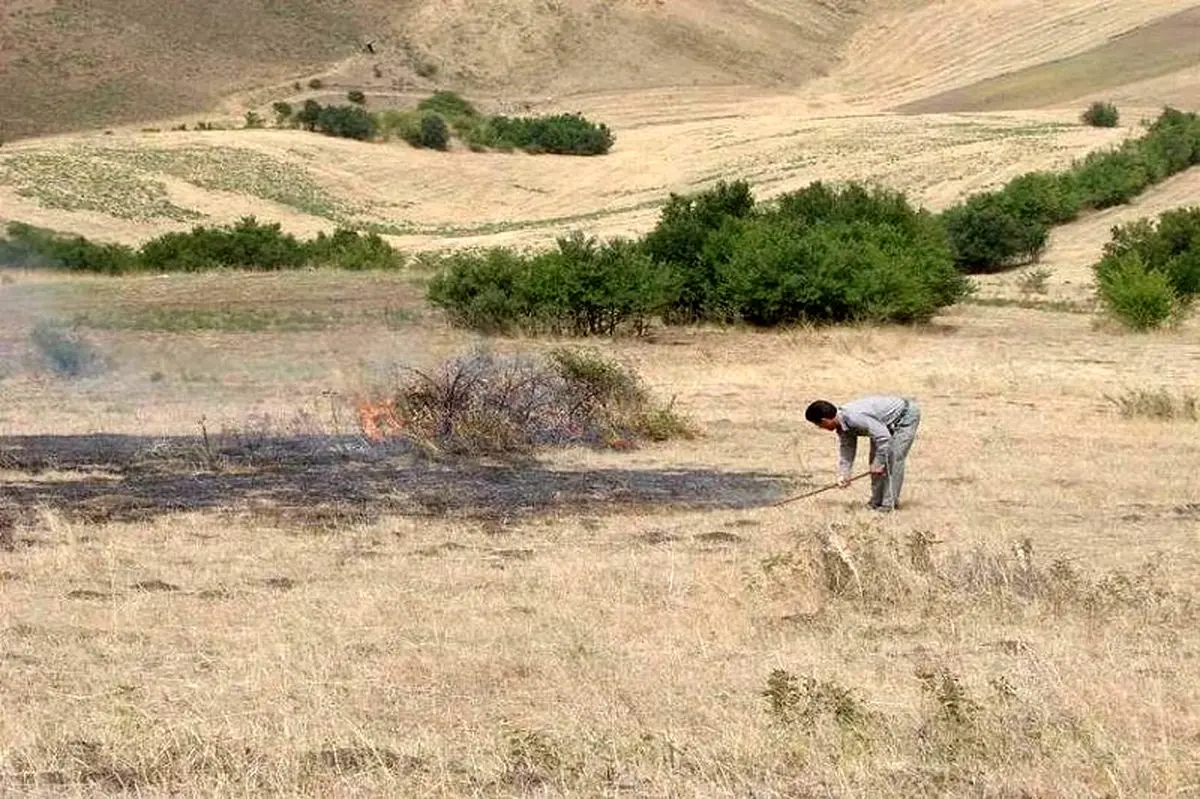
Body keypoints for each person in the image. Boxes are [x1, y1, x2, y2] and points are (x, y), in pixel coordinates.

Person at [805, 395, 921, 512]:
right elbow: (847, 450)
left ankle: (888, 505)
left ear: (825, 420)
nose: (820, 428)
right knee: (875, 461)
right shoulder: (842, 425)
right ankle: (876, 502)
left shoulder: (854, 417)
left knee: (892, 458)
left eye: (819, 425)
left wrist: (878, 462)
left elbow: (884, 438)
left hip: (905, 415)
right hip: (883, 425)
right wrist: (844, 474)